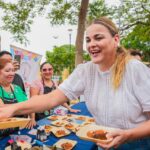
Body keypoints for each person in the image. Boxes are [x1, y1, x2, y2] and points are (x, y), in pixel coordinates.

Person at [0, 16, 150, 149]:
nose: (91, 44)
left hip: (138, 144)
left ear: (116, 39)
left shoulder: (135, 69)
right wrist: (14, 108)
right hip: (104, 144)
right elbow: (51, 98)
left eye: (98, 38)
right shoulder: (84, 71)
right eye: (88, 40)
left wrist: (128, 135)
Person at [0, 58, 36, 129]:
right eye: (7, 71)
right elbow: (2, 109)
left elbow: (29, 105)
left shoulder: (17, 88)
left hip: (20, 128)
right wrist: (23, 107)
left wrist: (32, 118)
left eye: (13, 70)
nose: (11, 73)